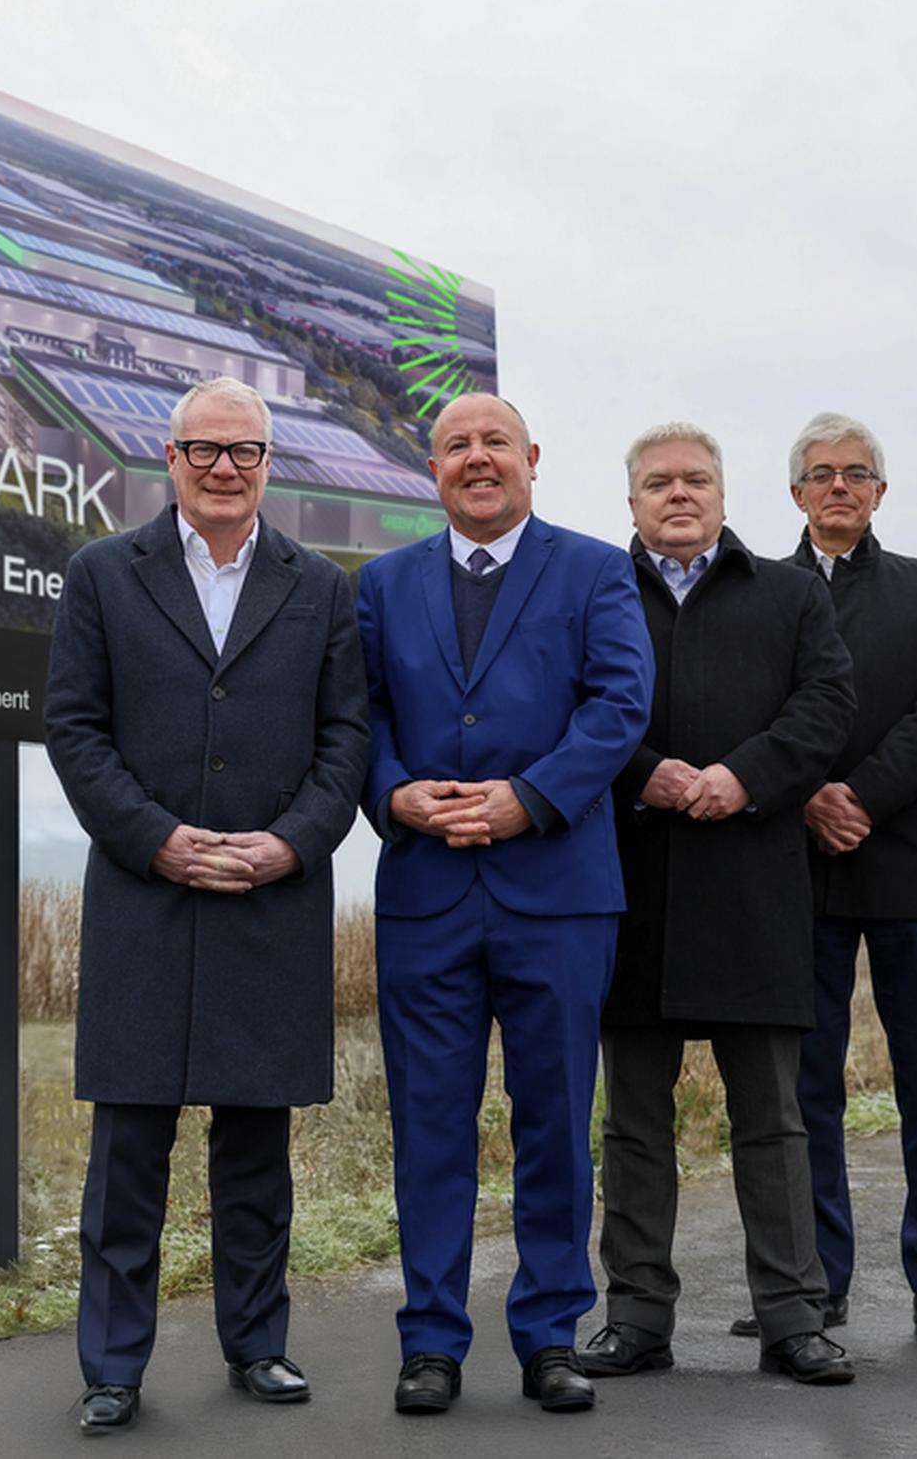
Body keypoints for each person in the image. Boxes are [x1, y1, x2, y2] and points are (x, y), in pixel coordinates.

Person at [43, 375, 369, 1433]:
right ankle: (113, 1367)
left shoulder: (321, 587)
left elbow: (346, 743)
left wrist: (289, 845)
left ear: (270, 464)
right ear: (168, 459)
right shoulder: (102, 574)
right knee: (129, 1155)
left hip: (270, 903)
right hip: (146, 899)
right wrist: (157, 840)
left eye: (245, 451)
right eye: (204, 450)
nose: (224, 468)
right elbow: (76, 730)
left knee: (255, 1153)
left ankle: (258, 1346)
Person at [355, 392, 652, 1416]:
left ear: (532, 458)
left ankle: (549, 1335)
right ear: (430, 470)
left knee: (556, 1124)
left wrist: (529, 800)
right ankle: (431, 1339)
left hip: (559, 896)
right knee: (429, 1126)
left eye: (494, 444)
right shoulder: (383, 585)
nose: (476, 460)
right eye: (454, 447)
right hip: (426, 898)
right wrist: (394, 794)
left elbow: (621, 704)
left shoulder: (597, 570)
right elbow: (363, 716)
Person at [585, 422, 859, 1387]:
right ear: (631, 504)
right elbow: (566, 710)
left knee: (774, 1121)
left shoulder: (788, 595)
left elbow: (827, 707)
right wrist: (649, 776)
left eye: (696, 479)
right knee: (632, 1125)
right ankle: (636, 1316)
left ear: (725, 494)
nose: (679, 494)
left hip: (754, 888)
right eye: (657, 483)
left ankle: (793, 1315)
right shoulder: (591, 589)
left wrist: (742, 779)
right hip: (629, 894)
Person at [723, 412, 917, 1353]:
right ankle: (814, 1287)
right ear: (795, 493)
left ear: (881, 491)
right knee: (804, 1093)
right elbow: (742, 714)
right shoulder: (751, 591)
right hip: (792, 871)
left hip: (908, 863)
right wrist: (801, 798)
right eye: (822, 474)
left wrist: (861, 796)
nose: (840, 486)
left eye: (858, 473)